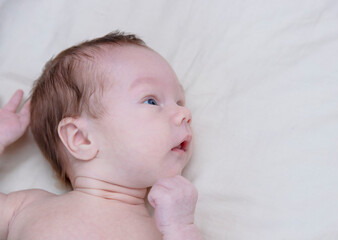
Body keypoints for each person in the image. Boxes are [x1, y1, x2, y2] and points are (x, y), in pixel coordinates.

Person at [0, 31, 202, 240]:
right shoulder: (27, 207)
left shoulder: (161, 231)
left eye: (180, 102)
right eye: (151, 101)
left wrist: (182, 228)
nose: (184, 113)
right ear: (81, 138)